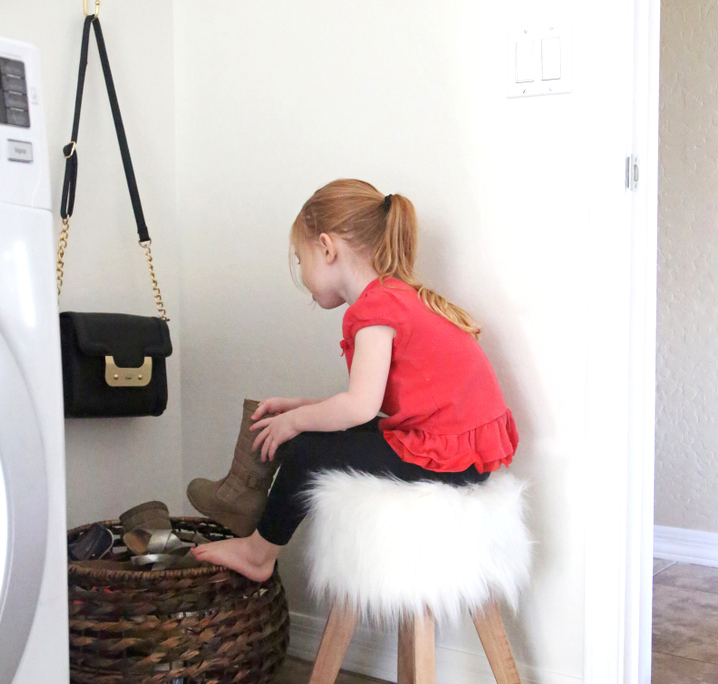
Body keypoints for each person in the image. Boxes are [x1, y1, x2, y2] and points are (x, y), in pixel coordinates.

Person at [192, 179, 518, 580]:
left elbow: (360, 406)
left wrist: (297, 422)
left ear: (327, 248)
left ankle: (258, 553)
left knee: (307, 449)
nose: (300, 272)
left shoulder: (374, 308)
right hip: (454, 448)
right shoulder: (393, 296)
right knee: (317, 433)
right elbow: (369, 401)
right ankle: (240, 494)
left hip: (448, 456)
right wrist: (304, 408)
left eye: (300, 258)